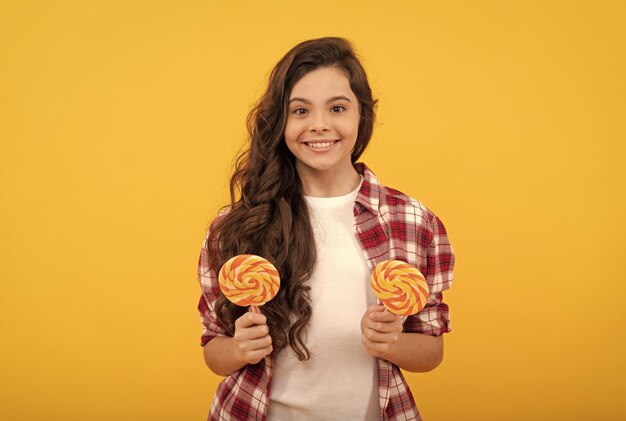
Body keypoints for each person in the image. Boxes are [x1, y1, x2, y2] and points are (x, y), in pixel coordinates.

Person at [197, 36, 455, 421]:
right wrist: (238, 348)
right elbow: (213, 349)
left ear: (361, 115)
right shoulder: (237, 224)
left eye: (337, 108)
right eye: (300, 111)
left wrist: (393, 343)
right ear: (280, 121)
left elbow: (431, 352)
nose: (319, 125)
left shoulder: (412, 220)